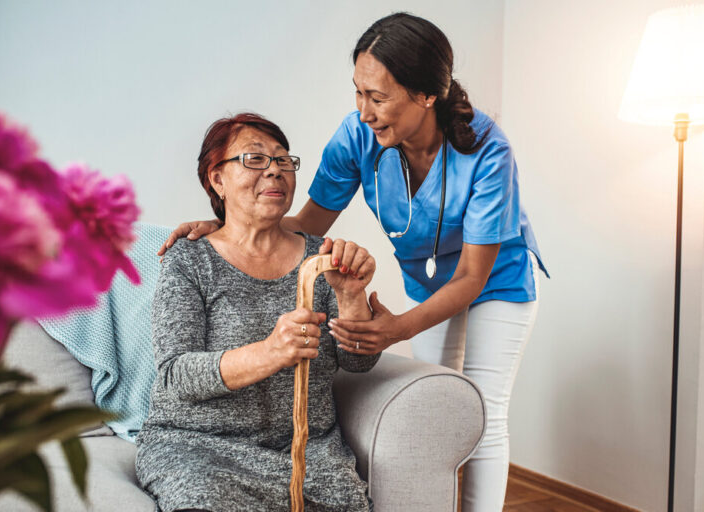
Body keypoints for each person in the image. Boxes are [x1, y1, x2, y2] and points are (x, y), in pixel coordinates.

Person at [159, 13, 548, 511]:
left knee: (486, 410)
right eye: (358, 93)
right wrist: (230, 224)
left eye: (378, 97)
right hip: (429, 279)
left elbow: (473, 276)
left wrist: (398, 328)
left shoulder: (488, 151)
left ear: (427, 95)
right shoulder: (358, 136)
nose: (364, 111)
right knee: (445, 404)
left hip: (497, 280)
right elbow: (307, 224)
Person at [136, 112, 379, 512]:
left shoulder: (322, 258)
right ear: (218, 179)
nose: (275, 170)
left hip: (306, 453)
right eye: (254, 159)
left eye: (283, 160)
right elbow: (176, 374)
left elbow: (359, 362)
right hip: (200, 449)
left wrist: (351, 295)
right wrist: (270, 352)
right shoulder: (190, 259)